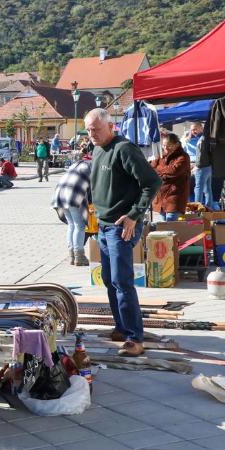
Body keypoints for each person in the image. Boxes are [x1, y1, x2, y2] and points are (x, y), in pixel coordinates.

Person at [87, 108, 161, 357]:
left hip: (121, 227)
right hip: (103, 226)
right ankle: (121, 327)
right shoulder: (97, 149)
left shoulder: (124, 149)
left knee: (122, 282)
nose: (92, 134)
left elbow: (152, 182)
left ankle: (134, 337)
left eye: (96, 129)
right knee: (109, 280)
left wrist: (134, 215)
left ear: (111, 127)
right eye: (88, 130)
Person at [51, 147, 93, 266]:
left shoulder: (75, 165)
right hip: (72, 195)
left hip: (60, 194)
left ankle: (71, 256)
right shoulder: (91, 166)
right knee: (79, 225)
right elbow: (93, 187)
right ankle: (79, 257)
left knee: (71, 224)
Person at [151, 133, 191, 221]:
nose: (165, 148)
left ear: (177, 145)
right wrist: (163, 172)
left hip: (175, 196)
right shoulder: (161, 156)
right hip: (161, 197)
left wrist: (159, 171)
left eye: (169, 146)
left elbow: (174, 171)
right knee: (163, 230)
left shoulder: (183, 157)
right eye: (164, 145)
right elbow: (152, 168)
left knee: (171, 226)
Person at [183, 122, 205, 204]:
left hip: (200, 165)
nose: (193, 131)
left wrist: (196, 164)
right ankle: (191, 204)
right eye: (192, 130)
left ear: (201, 129)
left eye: (195, 129)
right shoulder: (186, 139)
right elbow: (183, 153)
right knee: (187, 185)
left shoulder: (204, 139)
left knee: (198, 186)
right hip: (189, 164)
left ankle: (198, 205)